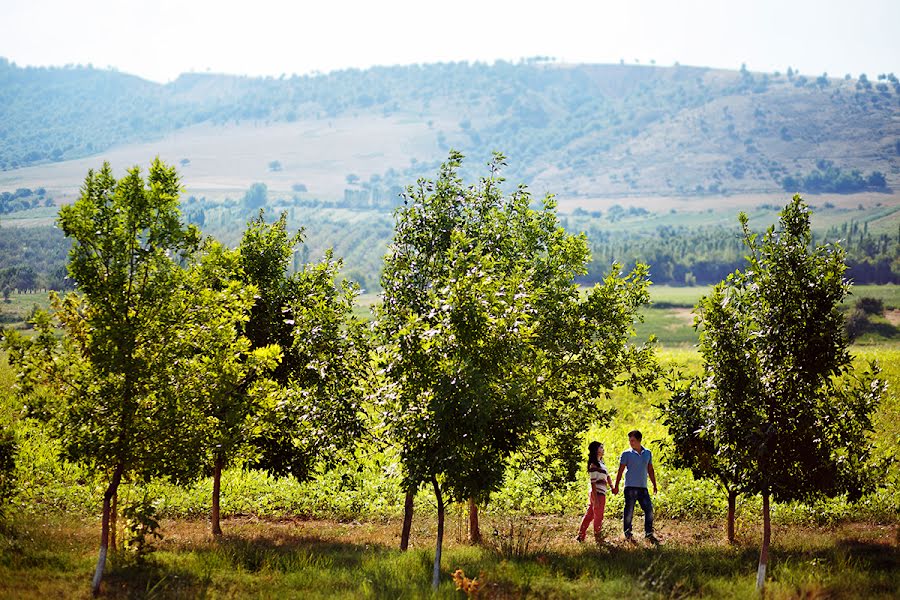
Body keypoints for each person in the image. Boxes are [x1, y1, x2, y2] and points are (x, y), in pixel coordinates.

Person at [612, 430, 659, 544]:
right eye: (630, 440)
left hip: (643, 487)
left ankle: (648, 532)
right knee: (629, 511)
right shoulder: (626, 454)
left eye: (632, 440)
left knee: (649, 510)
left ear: (639, 440)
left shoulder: (647, 453)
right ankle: (627, 532)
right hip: (630, 488)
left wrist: (654, 484)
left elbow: (650, 470)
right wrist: (616, 485)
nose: (630, 442)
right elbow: (620, 470)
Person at [576, 441, 614, 544]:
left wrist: (612, 486)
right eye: (601, 447)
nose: (603, 449)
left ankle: (581, 535)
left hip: (601, 492)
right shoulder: (593, 465)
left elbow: (608, 476)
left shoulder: (601, 463)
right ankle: (598, 538)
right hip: (597, 493)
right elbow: (593, 483)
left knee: (590, 515)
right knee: (598, 516)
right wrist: (596, 499)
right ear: (596, 450)